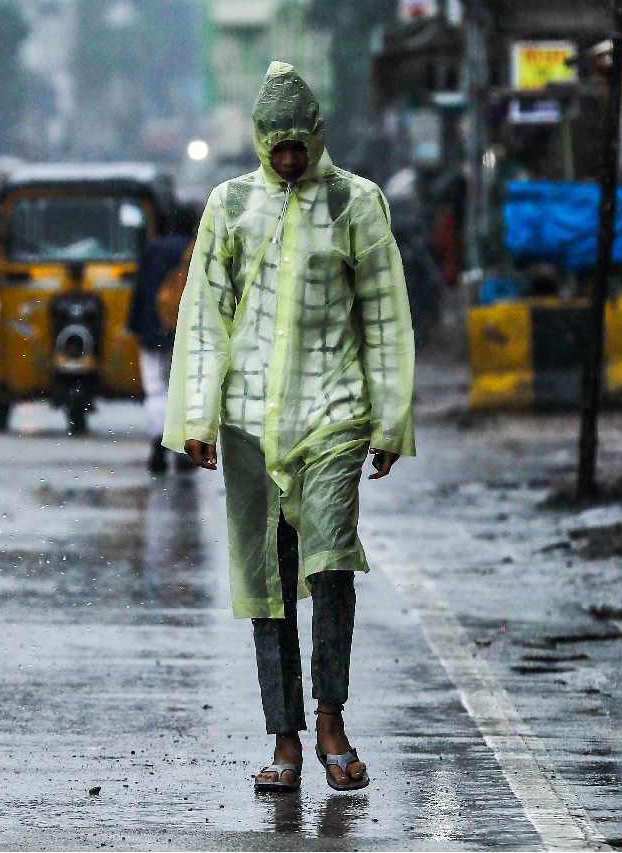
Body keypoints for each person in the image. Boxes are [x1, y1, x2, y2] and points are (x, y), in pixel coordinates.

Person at [162, 61, 416, 793]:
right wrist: (197, 414)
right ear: (259, 139)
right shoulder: (230, 205)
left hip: (334, 412)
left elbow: (384, 313)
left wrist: (390, 418)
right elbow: (205, 316)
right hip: (247, 422)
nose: (289, 158)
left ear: (317, 136)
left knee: (330, 562)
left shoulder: (356, 204)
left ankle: (331, 716)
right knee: (267, 580)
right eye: (278, 146)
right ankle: (285, 736)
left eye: (299, 144)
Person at [127, 231, 195, 473]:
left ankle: (159, 440)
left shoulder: (152, 249)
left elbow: (141, 289)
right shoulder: (196, 249)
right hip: (187, 330)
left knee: (156, 388)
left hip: (153, 328)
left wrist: (134, 323)